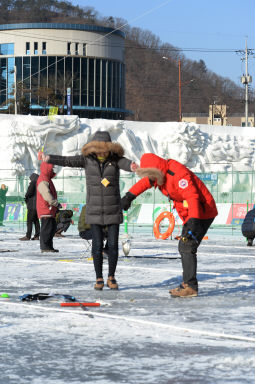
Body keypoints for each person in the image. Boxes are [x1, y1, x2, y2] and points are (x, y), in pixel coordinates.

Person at [38, 131, 138, 290]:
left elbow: (125, 163)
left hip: (113, 209)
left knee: (112, 245)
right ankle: (99, 277)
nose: (102, 151)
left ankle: (111, 277)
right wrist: (49, 158)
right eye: (99, 148)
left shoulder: (115, 159)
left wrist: (132, 166)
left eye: (105, 148)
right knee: (97, 245)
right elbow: (67, 160)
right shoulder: (87, 160)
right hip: (94, 209)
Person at [121, 153, 218, 298]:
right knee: (184, 246)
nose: (151, 179)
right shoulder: (159, 174)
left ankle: (190, 286)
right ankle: (188, 284)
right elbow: (145, 183)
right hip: (189, 213)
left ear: (155, 170)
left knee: (187, 245)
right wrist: (130, 195)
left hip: (201, 212)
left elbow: (192, 196)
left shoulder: (178, 174)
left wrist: (193, 220)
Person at [36, 162, 61, 253]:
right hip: (46, 208)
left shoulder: (46, 178)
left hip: (49, 208)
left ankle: (49, 246)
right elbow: (46, 194)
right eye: (52, 167)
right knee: (47, 228)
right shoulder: (43, 179)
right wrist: (54, 203)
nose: (53, 169)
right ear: (47, 168)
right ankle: (45, 247)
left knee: (52, 227)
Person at [19, 173, 40, 241]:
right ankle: (37, 236)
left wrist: (26, 197)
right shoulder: (40, 183)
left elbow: (29, 193)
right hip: (37, 205)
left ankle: (28, 236)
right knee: (36, 221)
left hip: (32, 205)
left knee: (29, 221)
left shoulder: (33, 182)